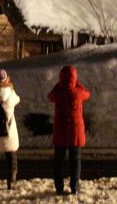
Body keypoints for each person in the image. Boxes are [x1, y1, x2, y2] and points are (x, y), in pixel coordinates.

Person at [47, 65, 91, 195]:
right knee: (75, 160)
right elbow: (87, 93)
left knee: (58, 161)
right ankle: (74, 187)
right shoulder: (78, 93)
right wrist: (78, 84)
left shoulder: (58, 92)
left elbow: (50, 96)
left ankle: (59, 188)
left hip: (60, 131)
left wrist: (58, 85)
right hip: (75, 132)